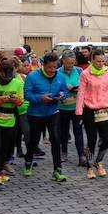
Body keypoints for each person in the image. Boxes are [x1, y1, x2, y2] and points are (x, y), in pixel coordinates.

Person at [24, 52, 68, 182]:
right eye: (50, 67)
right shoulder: (32, 76)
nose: (52, 70)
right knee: (34, 141)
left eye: (55, 67)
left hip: (53, 112)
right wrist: (40, 98)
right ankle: (28, 161)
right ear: (43, 65)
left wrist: (62, 95)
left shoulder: (60, 76)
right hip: (35, 113)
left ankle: (57, 170)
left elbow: (65, 91)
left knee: (55, 140)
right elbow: (26, 94)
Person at [76, 49, 108, 180]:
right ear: (92, 60)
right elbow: (81, 93)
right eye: (98, 61)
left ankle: (99, 161)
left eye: (103, 61)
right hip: (90, 110)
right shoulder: (85, 74)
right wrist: (79, 112)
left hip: (104, 109)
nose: (100, 64)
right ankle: (89, 167)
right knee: (92, 140)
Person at [0, 59, 24, 186]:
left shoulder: (18, 83)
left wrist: (14, 100)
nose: (7, 79)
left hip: (10, 119)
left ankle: (1, 168)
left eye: (10, 77)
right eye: (4, 76)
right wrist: (0, 100)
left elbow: (20, 102)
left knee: (7, 146)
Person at [57, 51, 86, 166]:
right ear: (63, 61)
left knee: (78, 131)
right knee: (63, 132)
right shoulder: (58, 72)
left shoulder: (79, 71)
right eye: (68, 63)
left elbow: (85, 86)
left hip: (76, 106)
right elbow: (54, 87)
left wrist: (78, 89)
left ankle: (81, 155)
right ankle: (63, 152)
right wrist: (63, 89)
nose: (70, 65)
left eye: (72, 63)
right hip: (62, 106)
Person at [11, 56, 31, 160]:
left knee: (27, 133)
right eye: (11, 67)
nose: (13, 69)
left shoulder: (24, 77)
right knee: (12, 134)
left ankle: (30, 154)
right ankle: (11, 155)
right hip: (11, 111)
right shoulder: (5, 79)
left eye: (14, 67)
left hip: (24, 109)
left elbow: (29, 91)